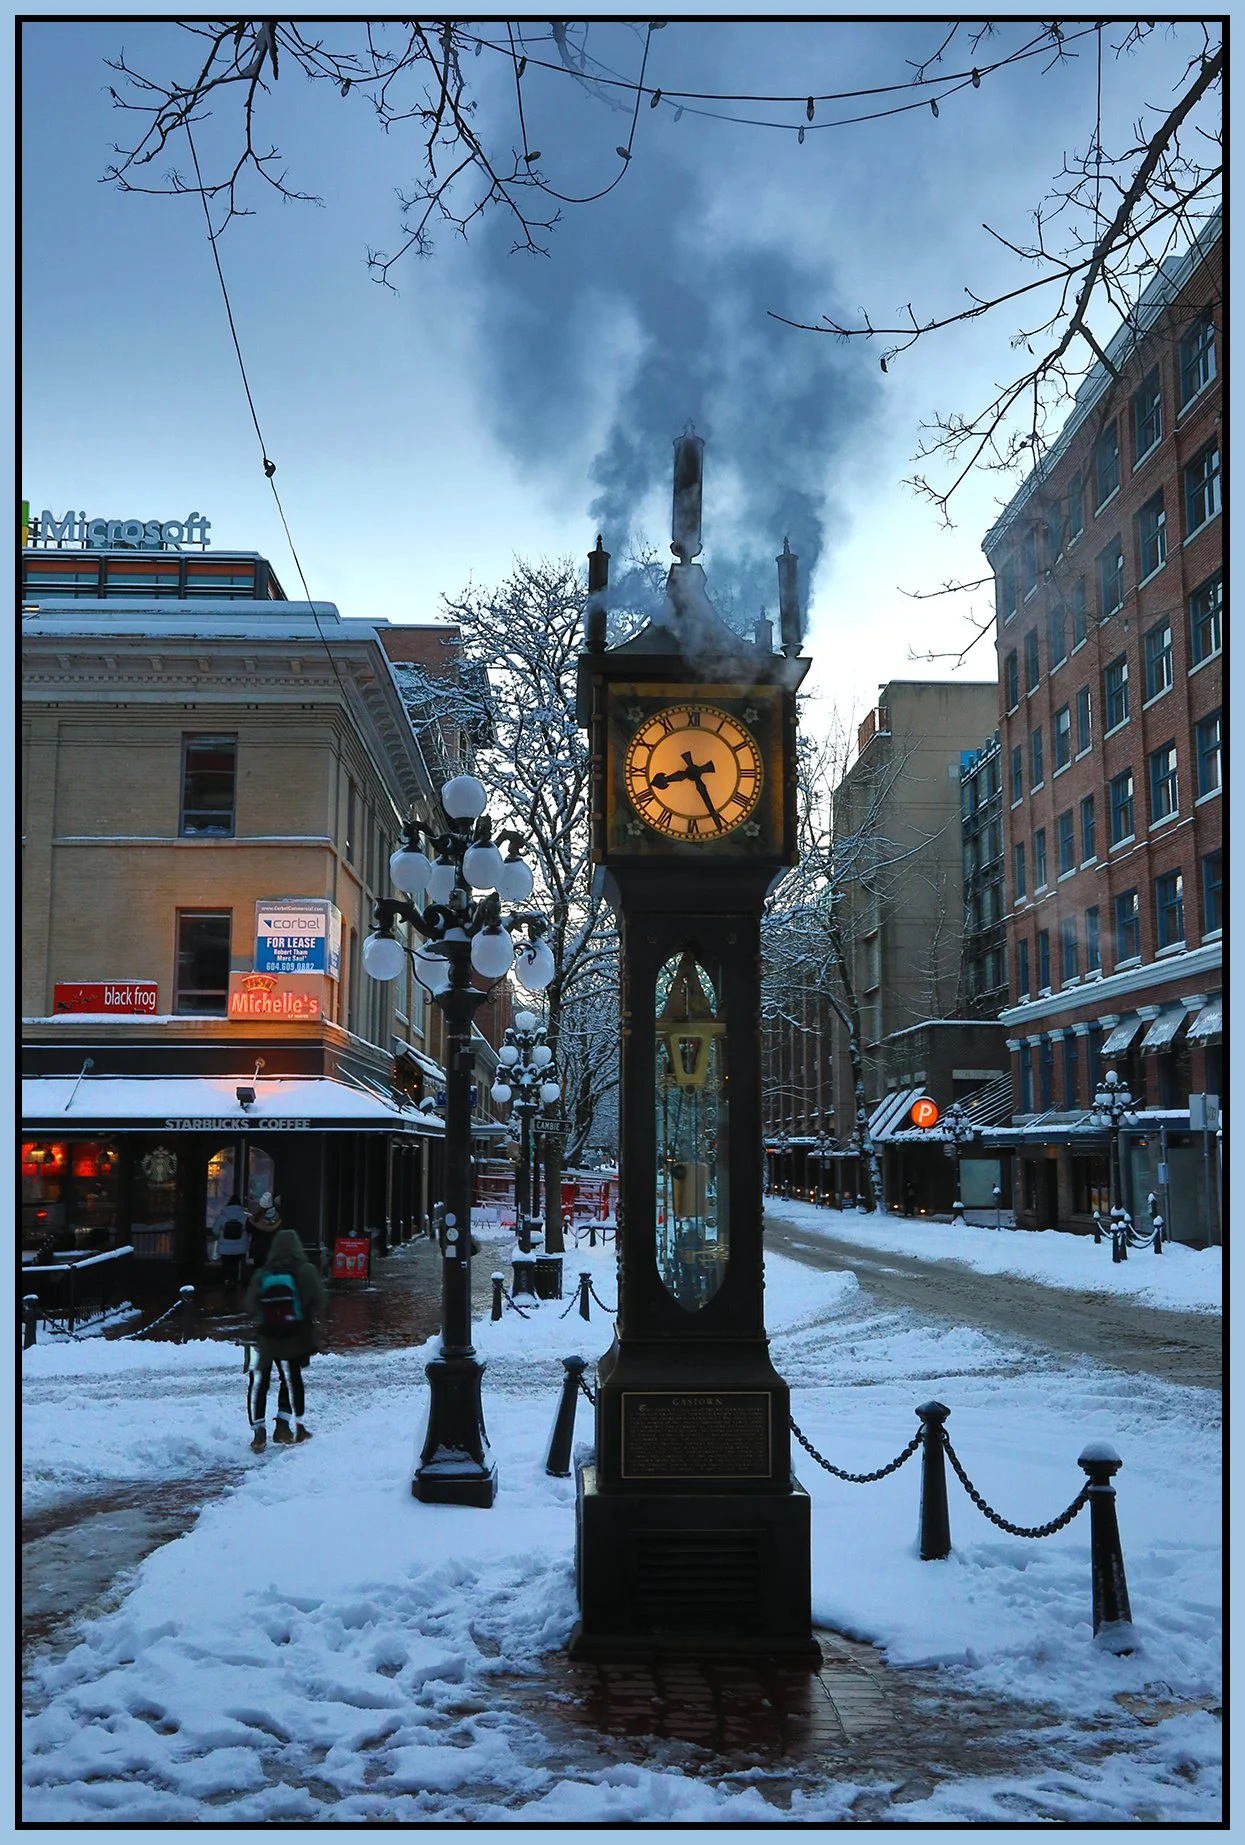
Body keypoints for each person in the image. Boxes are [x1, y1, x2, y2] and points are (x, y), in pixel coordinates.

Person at [242, 1225, 326, 1452]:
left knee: (262, 1381)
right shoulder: (305, 1270)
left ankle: (259, 1432)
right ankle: (283, 1426)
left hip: (268, 1337)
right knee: (290, 1379)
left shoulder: (264, 1273)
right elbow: (319, 1301)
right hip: (295, 1335)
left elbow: (249, 1303)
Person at [213, 1193, 250, 1291]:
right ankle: (233, 1282)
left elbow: (215, 1230)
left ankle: (226, 1281)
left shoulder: (222, 1216)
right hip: (239, 1247)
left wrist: (219, 1237)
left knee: (226, 1265)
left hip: (225, 1247)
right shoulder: (244, 1217)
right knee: (235, 1265)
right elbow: (249, 1230)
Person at [246, 1191, 283, 1270]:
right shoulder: (277, 1217)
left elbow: (248, 1229)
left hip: (258, 1250)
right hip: (273, 1249)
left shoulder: (255, 1218)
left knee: (259, 1271)